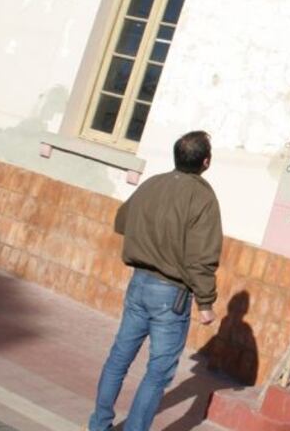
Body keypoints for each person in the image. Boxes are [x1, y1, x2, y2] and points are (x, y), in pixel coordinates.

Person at [87, 130, 223, 431]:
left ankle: (98, 425)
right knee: (157, 373)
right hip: (170, 295)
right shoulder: (203, 196)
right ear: (206, 161)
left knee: (119, 359)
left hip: (139, 284)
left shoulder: (152, 184)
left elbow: (122, 221)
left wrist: (150, 234)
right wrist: (206, 303)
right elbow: (202, 257)